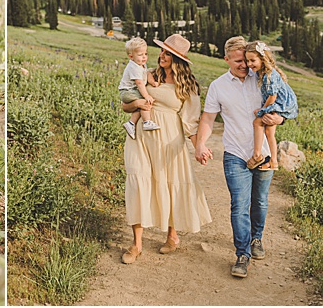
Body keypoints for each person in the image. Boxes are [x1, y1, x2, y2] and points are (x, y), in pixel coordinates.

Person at [193, 36, 286, 279]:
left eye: (245, 60)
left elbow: (282, 105)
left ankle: (257, 238)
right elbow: (208, 119)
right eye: (237, 61)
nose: (244, 65)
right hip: (235, 153)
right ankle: (242, 253)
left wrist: (281, 119)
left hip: (264, 152)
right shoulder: (218, 86)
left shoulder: (262, 79)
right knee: (239, 204)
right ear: (226, 60)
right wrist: (200, 143)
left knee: (261, 201)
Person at [120, 34, 211, 264]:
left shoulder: (188, 86)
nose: (162, 56)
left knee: (169, 184)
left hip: (170, 140)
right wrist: (139, 103)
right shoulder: (147, 74)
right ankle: (136, 244)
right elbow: (125, 104)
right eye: (161, 51)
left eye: (167, 53)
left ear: (177, 59)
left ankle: (172, 235)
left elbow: (190, 122)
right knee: (138, 181)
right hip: (140, 137)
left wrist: (198, 147)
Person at [244, 40, 298, 171]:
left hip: (280, 103)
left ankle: (257, 155)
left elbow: (272, 96)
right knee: (269, 131)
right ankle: (274, 162)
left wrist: (262, 110)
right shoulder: (261, 72)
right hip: (277, 102)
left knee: (257, 122)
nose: (249, 64)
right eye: (247, 61)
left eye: (252, 60)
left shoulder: (269, 74)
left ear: (262, 59)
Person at [119, 36, 160, 139]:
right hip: (127, 91)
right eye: (140, 55)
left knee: (139, 105)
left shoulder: (141, 64)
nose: (144, 57)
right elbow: (139, 83)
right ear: (131, 56)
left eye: (145, 54)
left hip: (130, 91)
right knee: (144, 102)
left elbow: (147, 74)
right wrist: (146, 96)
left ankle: (131, 123)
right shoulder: (134, 67)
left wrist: (153, 82)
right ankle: (146, 122)